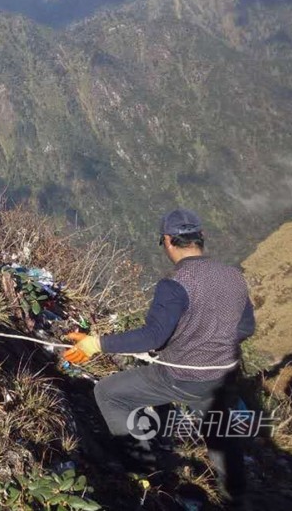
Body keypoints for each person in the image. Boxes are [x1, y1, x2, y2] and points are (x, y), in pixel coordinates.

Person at [63, 208, 254, 507]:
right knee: (218, 427)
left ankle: (140, 469)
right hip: (222, 375)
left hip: (181, 376)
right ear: (201, 237)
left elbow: (154, 337)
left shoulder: (175, 284)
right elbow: (246, 327)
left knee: (109, 393)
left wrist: (95, 344)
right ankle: (237, 496)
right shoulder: (233, 277)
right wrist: (210, 342)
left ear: (167, 241)